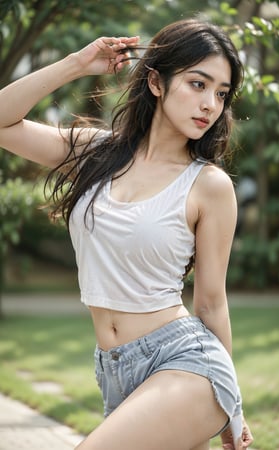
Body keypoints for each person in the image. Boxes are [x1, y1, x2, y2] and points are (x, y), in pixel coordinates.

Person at [0, 18, 254, 450]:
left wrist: (233, 406)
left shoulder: (209, 186)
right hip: (115, 371)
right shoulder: (94, 152)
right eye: (198, 84)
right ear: (156, 81)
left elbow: (211, 301)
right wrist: (76, 65)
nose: (210, 103)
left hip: (186, 363)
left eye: (221, 93)